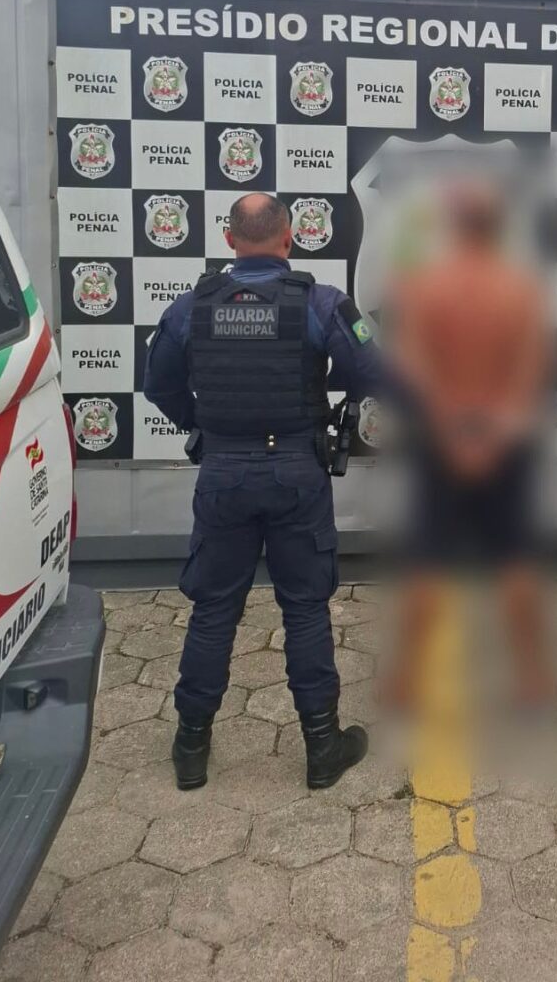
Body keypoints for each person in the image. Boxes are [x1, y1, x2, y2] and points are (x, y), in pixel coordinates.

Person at [144, 193, 382, 791]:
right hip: (296, 473)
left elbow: (159, 387)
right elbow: (373, 373)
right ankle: (322, 748)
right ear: (289, 238)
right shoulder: (319, 303)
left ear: (229, 240)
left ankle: (190, 749)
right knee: (304, 609)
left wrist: (201, 427)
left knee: (213, 610)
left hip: (222, 473)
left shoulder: (191, 307)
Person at [384, 181, 556, 708]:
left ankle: (406, 681)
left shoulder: (425, 286)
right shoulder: (520, 289)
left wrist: (451, 435)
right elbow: (529, 372)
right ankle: (531, 679)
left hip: (442, 439)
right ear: (498, 226)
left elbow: (414, 368)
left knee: (428, 560)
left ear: (455, 225)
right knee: (515, 559)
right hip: (504, 441)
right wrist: (494, 436)